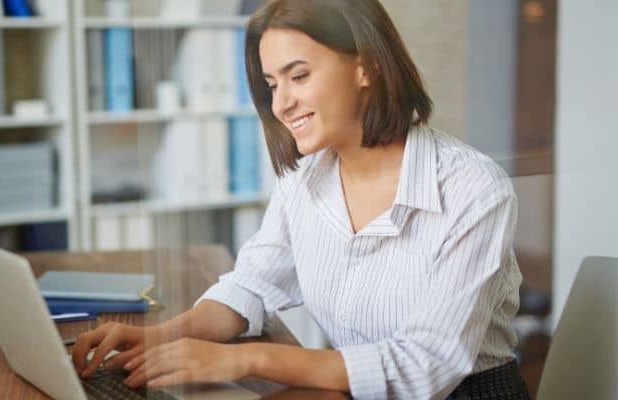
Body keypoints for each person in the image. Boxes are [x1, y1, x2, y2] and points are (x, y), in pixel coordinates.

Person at [73, 0, 531, 398]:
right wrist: (157, 338)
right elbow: (251, 285)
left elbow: (423, 369)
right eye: (273, 84)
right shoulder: (306, 178)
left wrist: (242, 361)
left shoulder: (472, 188)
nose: (281, 104)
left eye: (299, 75)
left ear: (365, 66)